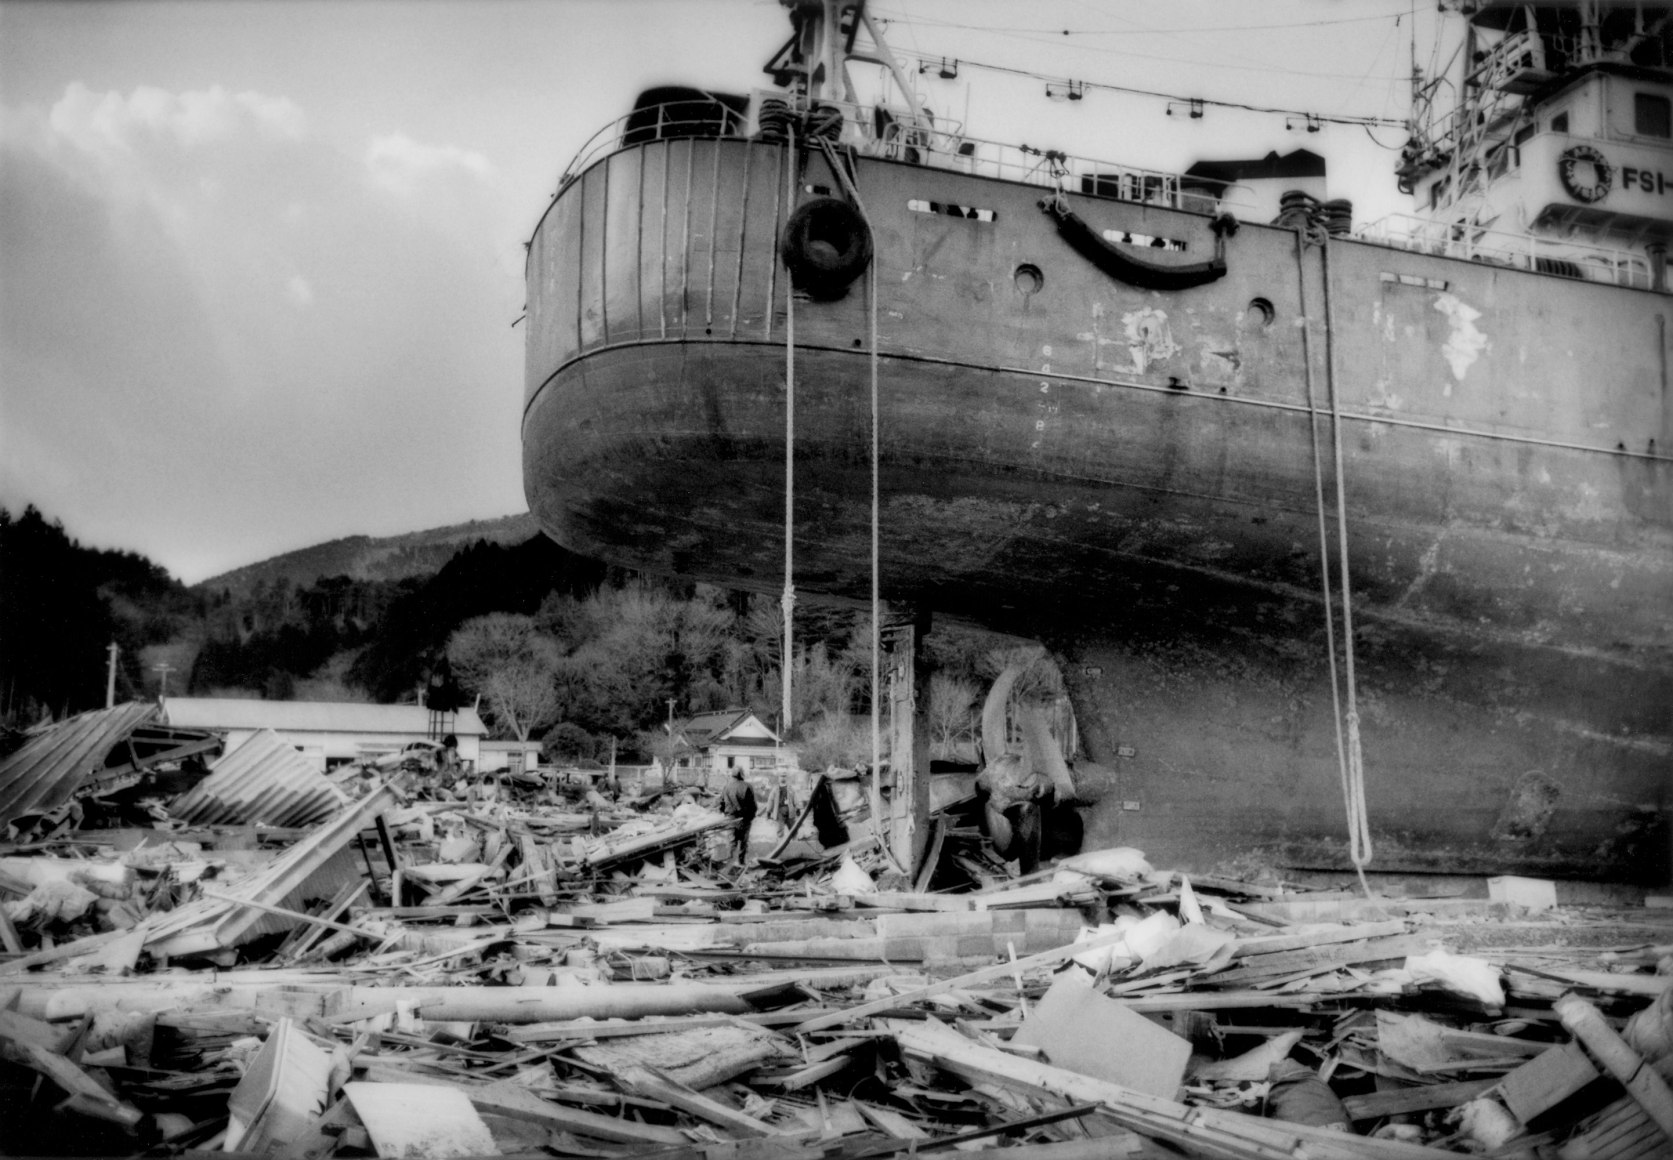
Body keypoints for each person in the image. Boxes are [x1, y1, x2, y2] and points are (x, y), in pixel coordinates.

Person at [718, 765, 757, 865]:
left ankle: (730, 863)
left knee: (732, 841)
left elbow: (721, 803)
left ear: (733, 775)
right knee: (744, 841)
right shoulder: (748, 786)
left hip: (731, 818)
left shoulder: (726, 786)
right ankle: (741, 862)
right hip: (745, 818)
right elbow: (753, 804)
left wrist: (724, 812)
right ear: (742, 775)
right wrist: (751, 816)